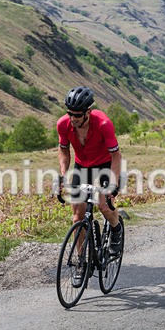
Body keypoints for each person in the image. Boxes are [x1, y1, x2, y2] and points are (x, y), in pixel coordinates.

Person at [57, 86, 123, 266]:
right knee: (77, 217)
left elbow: (116, 155)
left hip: (104, 165)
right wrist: (63, 175)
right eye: (70, 113)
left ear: (88, 112)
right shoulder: (63, 124)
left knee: (103, 206)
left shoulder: (103, 124)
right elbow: (63, 150)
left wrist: (113, 183)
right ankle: (81, 262)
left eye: (77, 115)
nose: (73, 118)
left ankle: (116, 231)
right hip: (82, 166)